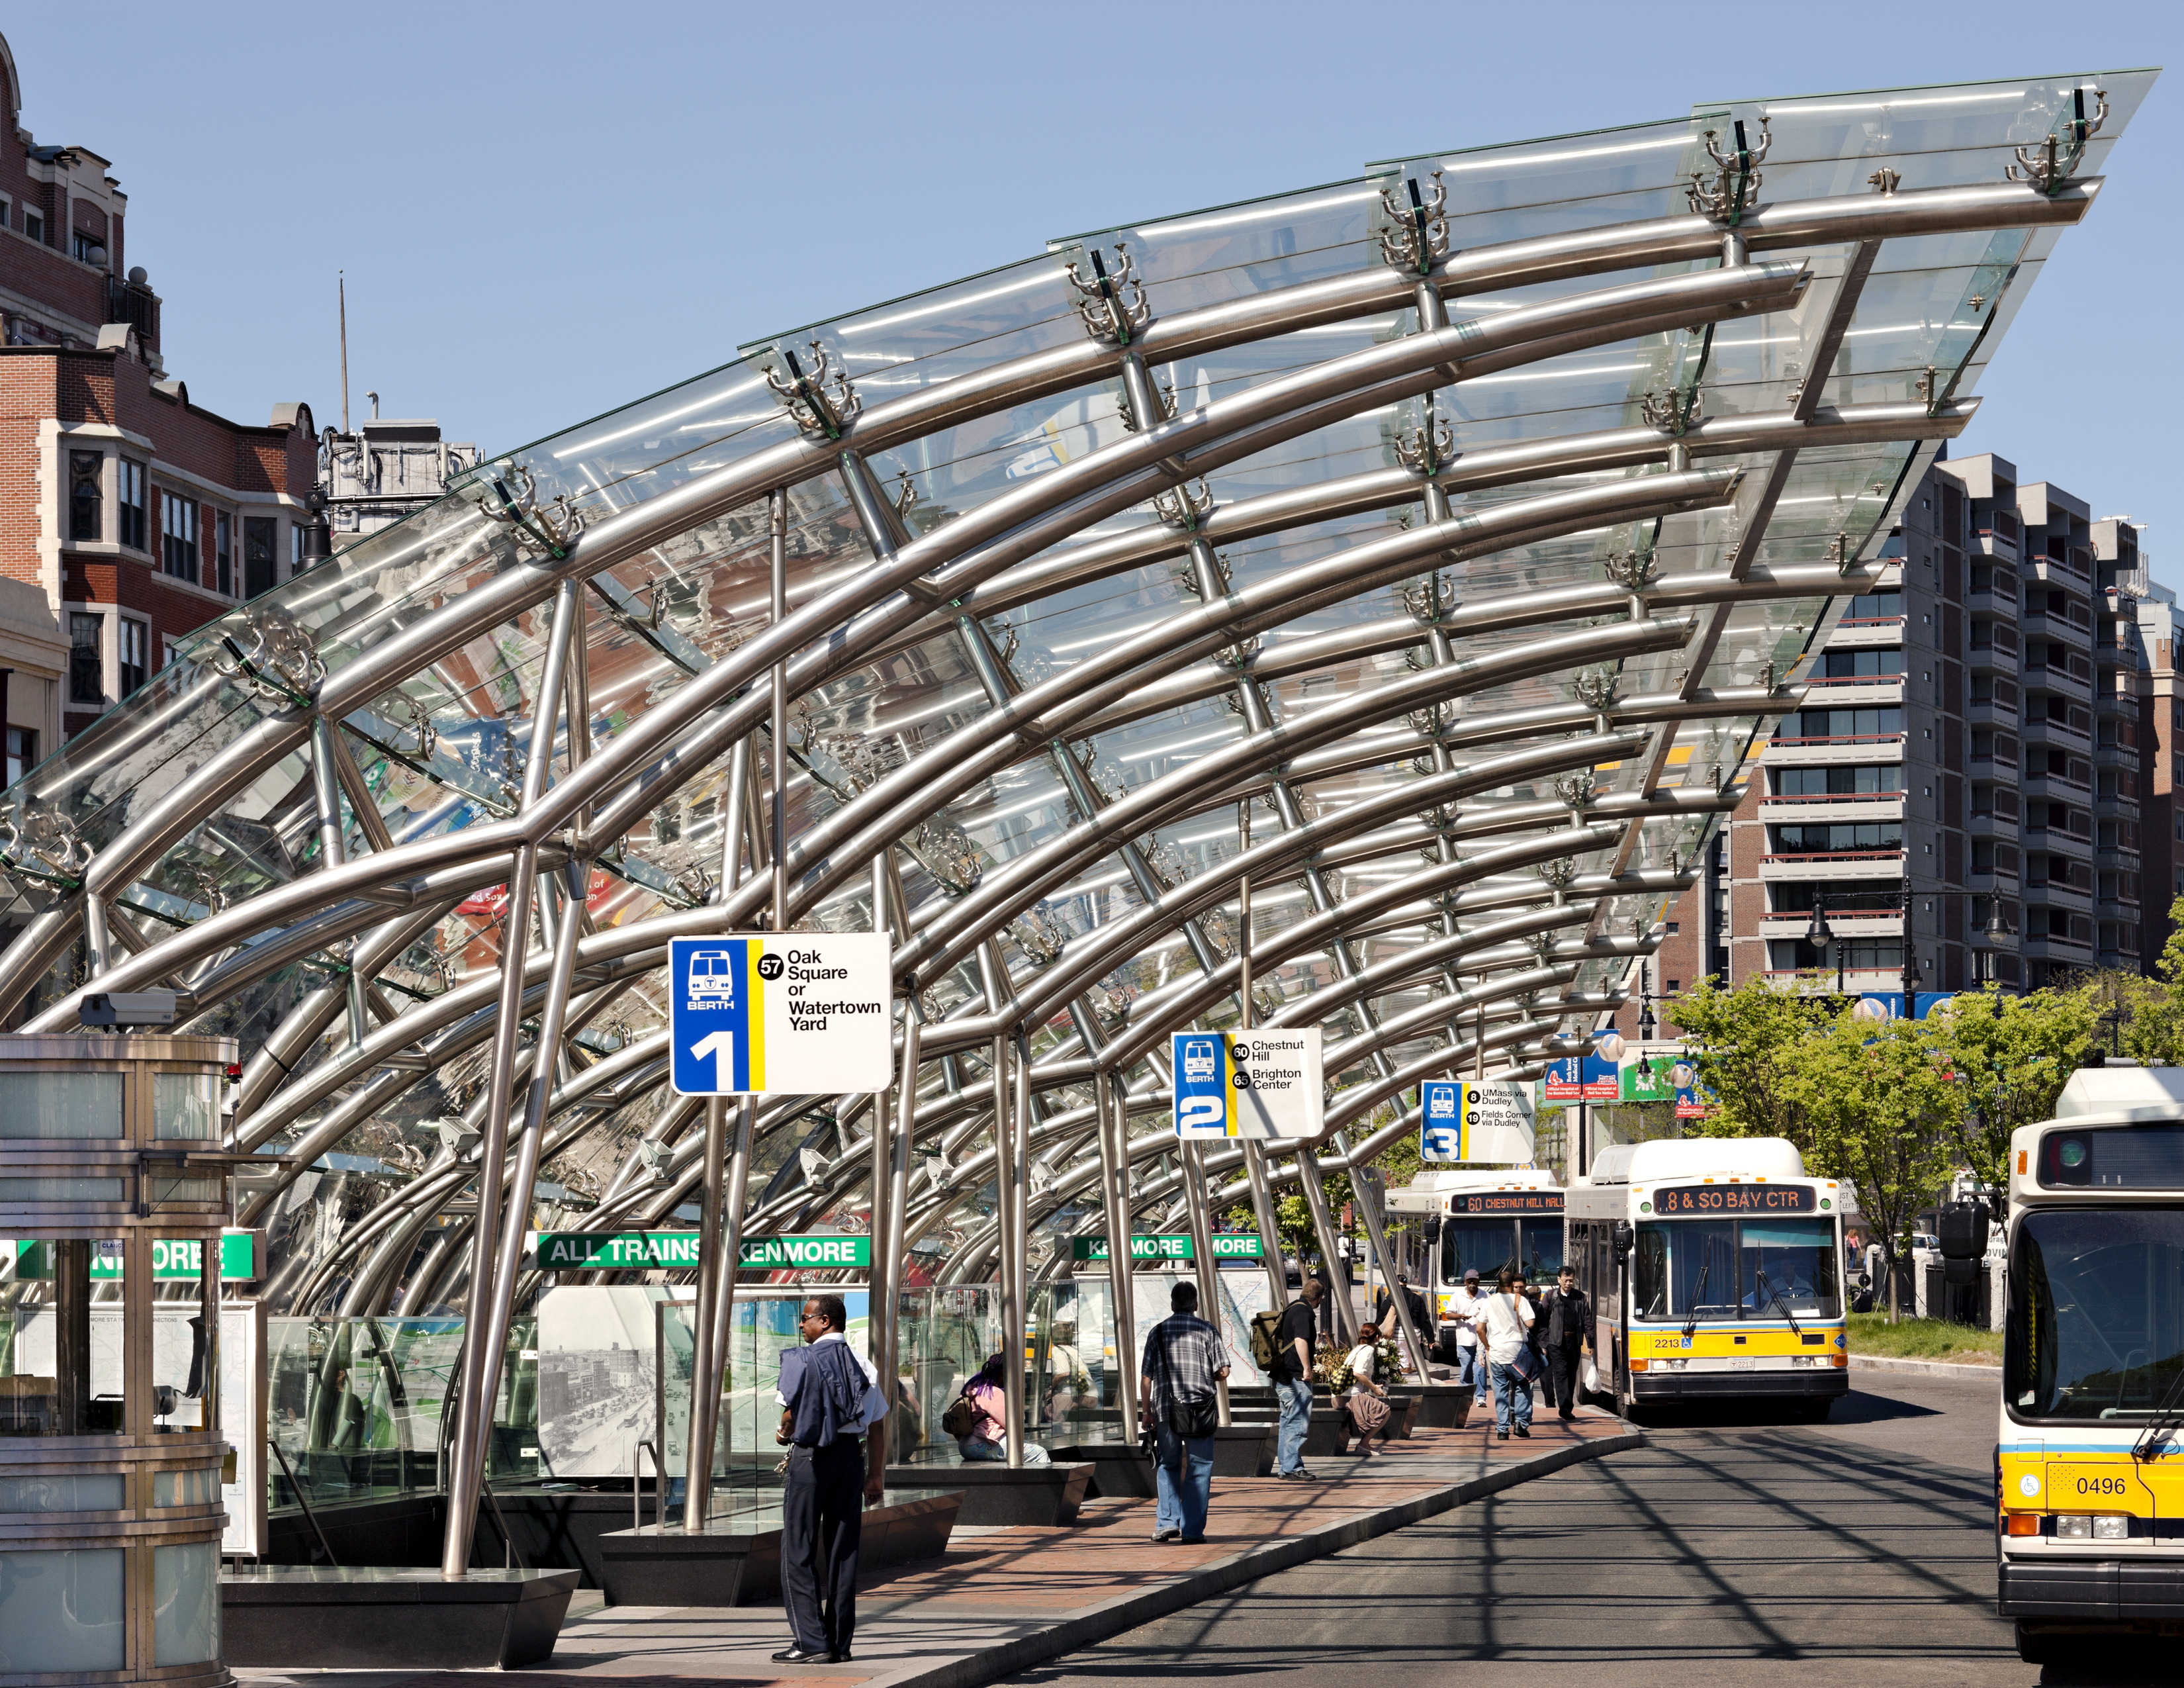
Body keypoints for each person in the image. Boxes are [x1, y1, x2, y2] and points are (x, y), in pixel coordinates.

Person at [771, 1294, 891, 1665]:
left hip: (810, 1459)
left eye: (806, 1318)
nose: (801, 1325)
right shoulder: (864, 1365)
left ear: (824, 1321)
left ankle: (811, 1641)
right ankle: (838, 1643)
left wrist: (783, 1434)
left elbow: (790, 1417)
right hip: (850, 1459)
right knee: (844, 1551)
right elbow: (877, 1424)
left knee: (798, 1550)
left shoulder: (801, 1360)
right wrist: (875, 1475)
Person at [1138, 1279, 1230, 1542]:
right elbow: (1223, 1371)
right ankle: (1192, 1531)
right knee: (1199, 1467)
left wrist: (1147, 1412)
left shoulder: (1156, 1332)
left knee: (1168, 1464)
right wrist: (1206, 1376)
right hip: (1200, 1411)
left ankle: (1167, 1523)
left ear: (1172, 1304)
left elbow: (1146, 1379)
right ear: (1196, 1305)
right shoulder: (1208, 1330)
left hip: (1166, 1410)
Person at [954, 1353, 1052, 1465]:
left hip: (964, 1446)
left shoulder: (973, 1389)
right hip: (981, 1444)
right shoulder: (993, 1392)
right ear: (1003, 1372)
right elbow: (1014, 1423)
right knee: (1039, 1453)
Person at [1271, 1276, 1324, 1479]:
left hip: (1282, 1375)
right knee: (1297, 1423)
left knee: (1287, 1422)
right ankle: (1293, 1467)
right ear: (1319, 1298)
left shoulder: (1292, 1307)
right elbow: (1301, 1340)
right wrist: (1307, 1369)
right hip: (1295, 1377)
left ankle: (1285, 1467)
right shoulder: (1303, 1312)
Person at [1475, 1267, 1535, 1440]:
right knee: (1522, 1387)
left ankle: (1502, 1430)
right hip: (1517, 1353)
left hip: (1496, 1354)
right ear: (1511, 1284)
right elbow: (1530, 1324)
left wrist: (1487, 1346)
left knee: (1500, 1392)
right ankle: (1521, 1422)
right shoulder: (1520, 1300)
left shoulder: (1489, 1302)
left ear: (1499, 1284)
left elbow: (1479, 1329)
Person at [1539, 1264, 1594, 1423]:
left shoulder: (1580, 1297)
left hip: (1574, 1341)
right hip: (1556, 1342)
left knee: (1571, 1374)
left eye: (1571, 1280)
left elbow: (1588, 1320)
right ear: (1559, 1280)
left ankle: (1567, 1407)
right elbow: (1543, 1320)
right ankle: (1564, 1407)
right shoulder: (1551, 1296)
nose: (1568, 1283)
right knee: (1561, 1374)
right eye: (1566, 1280)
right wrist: (1544, 1342)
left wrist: (1590, 1342)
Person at [1343, 1323, 1393, 1456]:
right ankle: (1364, 1444)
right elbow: (1358, 1373)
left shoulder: (1357, 1349)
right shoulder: (1368, 1350)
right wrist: (1375, 1388)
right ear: (1376, 1337)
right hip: (1351, 1396)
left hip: (1342, 1394)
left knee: (1374, 1406)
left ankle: (1364, 1443)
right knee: (1385, 1411)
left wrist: (1373, 1386)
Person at [1448, 1268, 1483, 1390]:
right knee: (1466, 1371)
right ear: (1465, 1282)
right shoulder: (1457, 1296)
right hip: (1464, 1341)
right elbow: (1448, 1314)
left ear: (1479, 1281)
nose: (1472, 1283)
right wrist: (1460, 1316)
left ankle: (1480, 1396)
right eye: (1469, 1281)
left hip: (1481, 1340)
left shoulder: (1486, 1296)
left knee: (1480, 1370)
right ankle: (1465, 1393)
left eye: (1475, 1280)